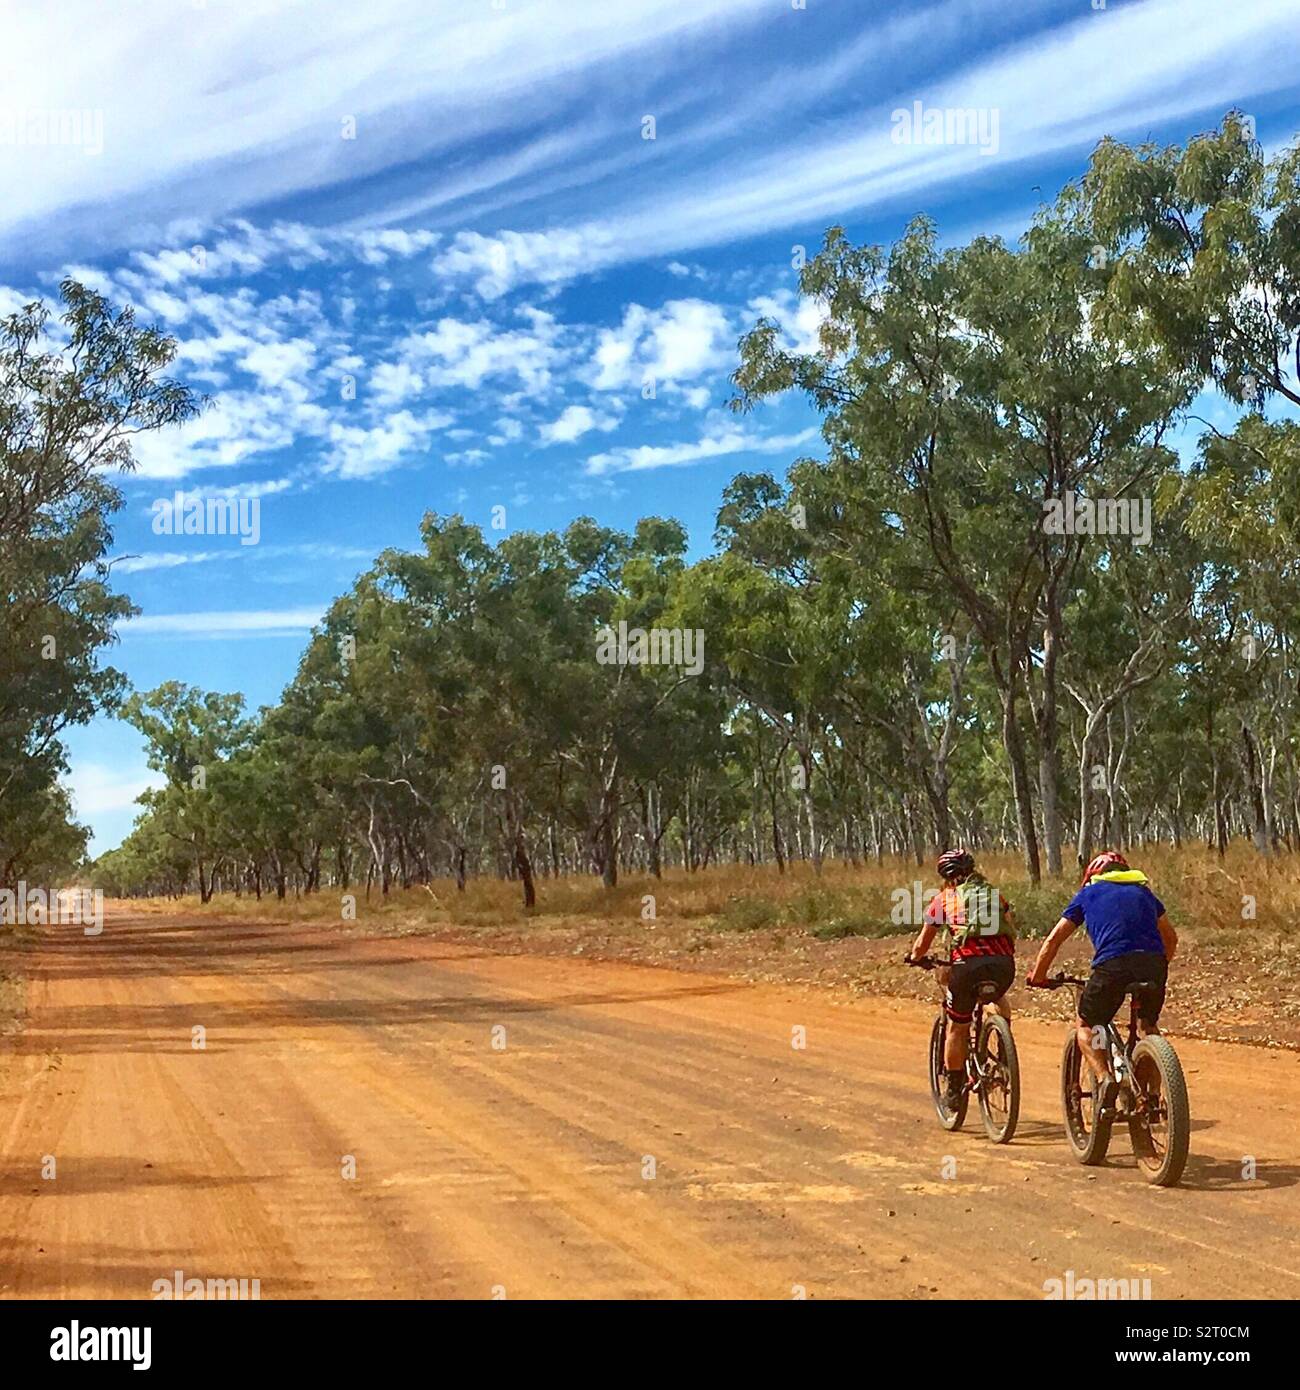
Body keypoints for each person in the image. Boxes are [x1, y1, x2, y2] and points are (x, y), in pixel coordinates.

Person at [1027, 850, 1178, 1111]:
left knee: (1086, 1023)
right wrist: (1158, 966)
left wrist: (1038, 975)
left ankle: (1104, 1077)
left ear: (1093, 876)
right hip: (1153, 965)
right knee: (1147, 1026)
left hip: (1112, 966)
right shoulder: (1145, 894)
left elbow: (1054, 939)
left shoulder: (1087, 894)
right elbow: (1171, 938)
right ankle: (1150, 1096)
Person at [906, 848, 1016, 1109]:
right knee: (999, 998)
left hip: (967, 967)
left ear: (945, 876)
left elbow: (923, 943)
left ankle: (954, 1090)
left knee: (958, 1026)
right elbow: (1011, 928)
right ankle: (1003, 1052)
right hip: (1003, 966)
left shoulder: (944, 899)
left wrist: (915, 957)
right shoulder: (995, 895)